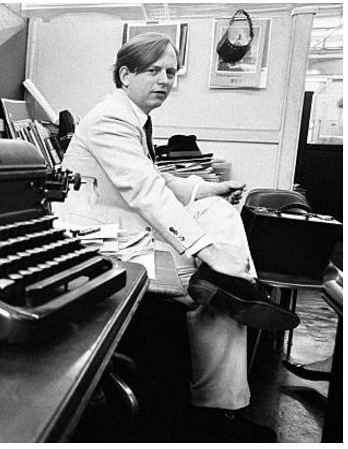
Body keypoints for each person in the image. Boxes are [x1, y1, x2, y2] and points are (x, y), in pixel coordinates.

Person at [54, 32, 299, 442]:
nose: (164, 80)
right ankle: (235, 301)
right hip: (99, 239)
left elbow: (154, 177)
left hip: (125, 226)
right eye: (153, 71)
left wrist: (204, 189)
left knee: (217, 210)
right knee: (216, 289)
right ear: (126, 74)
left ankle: (233, 286)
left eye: (170, 72)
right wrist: (207, 250)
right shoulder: (110, 119)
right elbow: (145, 192)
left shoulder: (132, 115)